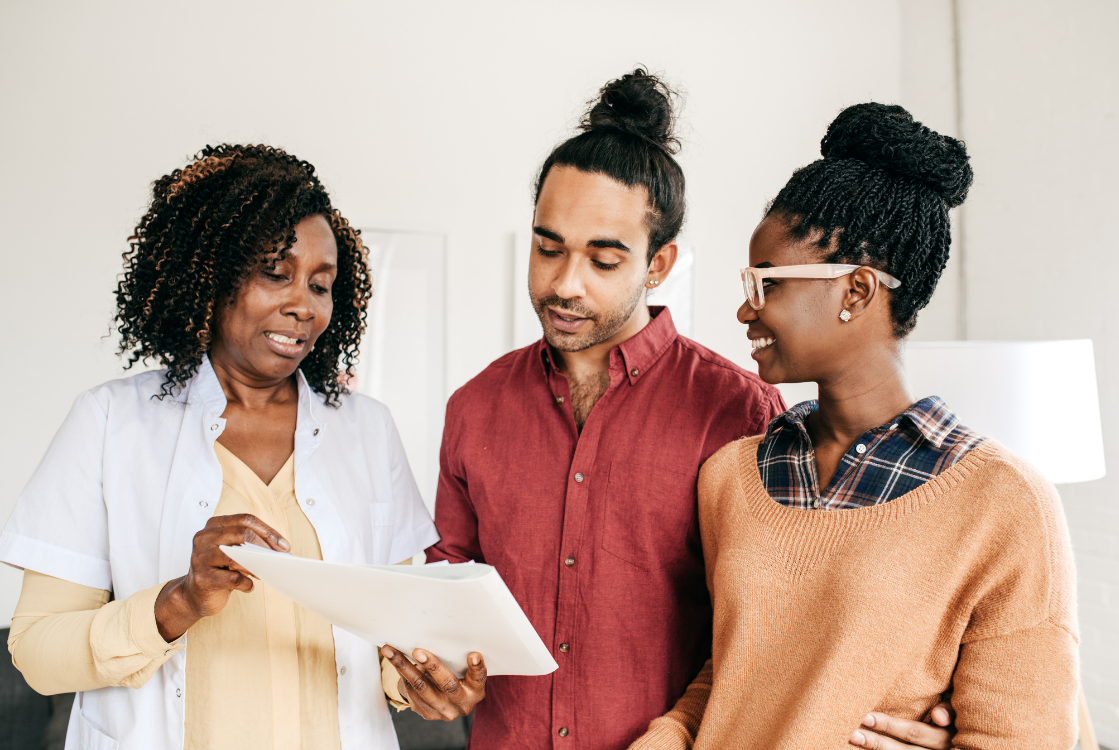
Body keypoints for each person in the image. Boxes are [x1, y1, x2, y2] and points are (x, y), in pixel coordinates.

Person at [383, 71, 959, 750]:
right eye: (547, 248)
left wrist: (918, 709)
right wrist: (432, 673)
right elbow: (450, 588)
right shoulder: (475, 408)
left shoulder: (742, 412)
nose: (563, 284)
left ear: (658, 265)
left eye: (603, 259)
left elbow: (790, 629)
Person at [630, 103, 1080, 749]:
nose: (742, 310)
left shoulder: (1005, 503)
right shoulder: (729, 476)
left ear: (856, 291)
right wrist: (667, 737)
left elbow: (1023, 738)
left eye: (766, 284)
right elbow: (729, 678)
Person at [1, 145, 438, 750]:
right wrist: (178, 601)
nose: (303, 306)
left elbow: (397, 637)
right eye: (275, 274)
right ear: (209, 275)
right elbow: (37, 652)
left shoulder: (368, 430)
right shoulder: (110, 422)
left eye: (321, 284)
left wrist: (421, 683)